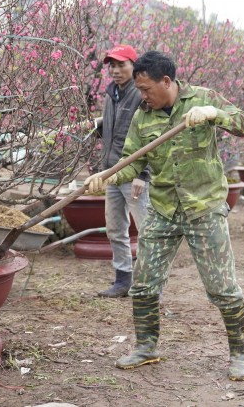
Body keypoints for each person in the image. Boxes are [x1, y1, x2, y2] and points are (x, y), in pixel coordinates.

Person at [83, 50, 244, 381]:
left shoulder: (203, 98)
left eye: (147, 89)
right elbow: (133, 162)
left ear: (167, 81)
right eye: (139, 90)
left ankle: (239, 353)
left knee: (222, 288)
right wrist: (105, 177)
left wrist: (214, 113)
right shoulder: (143, 115)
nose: (143, 96)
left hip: (204, 208)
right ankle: (146, 347)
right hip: (163, 209)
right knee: (144, 285)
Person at [94, 44, 150, 298]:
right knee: (115, 228)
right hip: (113, 172)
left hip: (135, 175)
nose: (116, 71)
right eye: (112, 66)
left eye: (121, 65)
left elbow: (151, 134)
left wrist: (144, 174)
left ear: (134, 66)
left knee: (147, 230)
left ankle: (150, 284)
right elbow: (115, 131)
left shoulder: (141, 95)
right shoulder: (111, 94)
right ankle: (123, 280)